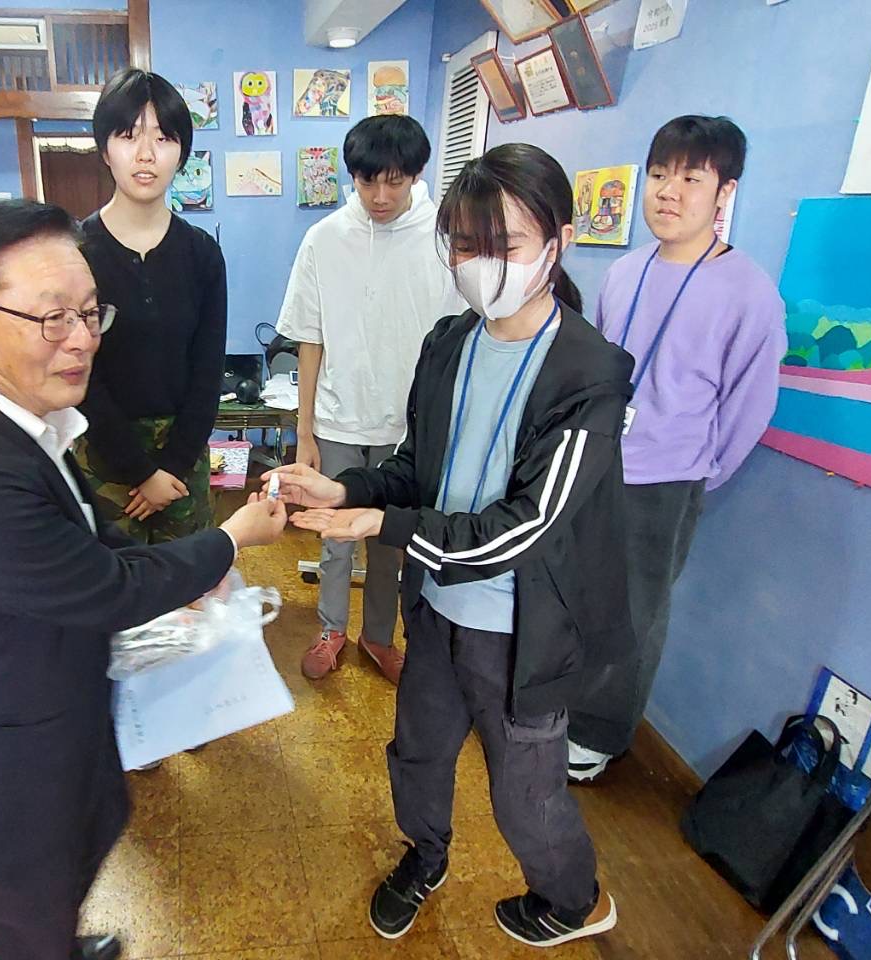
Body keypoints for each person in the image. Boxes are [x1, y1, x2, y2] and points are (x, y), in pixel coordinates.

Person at [0, 200, 287, 960]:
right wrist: (229, 541)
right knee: (27, 926)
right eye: (51, 318)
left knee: (59, 892)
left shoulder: (17, 420)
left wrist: (183, 578)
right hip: (2, 772)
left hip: (53, 720)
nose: (80, 339)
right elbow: (105, 587)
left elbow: (87, 535)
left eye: (88, 312)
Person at [269, 143, 631, 948]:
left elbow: (526, 528)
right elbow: (416, 467)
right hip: (436, 607)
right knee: (419, 753)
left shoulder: (588, 374)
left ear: (560, 242)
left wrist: (385, 526)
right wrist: (345, 491)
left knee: (524, 793)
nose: (481, 264)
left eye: (505, 244)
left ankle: (572, 900)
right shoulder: (449, 343)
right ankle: (424, 857)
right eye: (466, 245)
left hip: (521, 632)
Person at [566, 116, 787, 783]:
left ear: (725, 192)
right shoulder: (625, 271)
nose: (668, 191)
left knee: (634, 611)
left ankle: (598, 733)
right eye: (659, 174)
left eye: (692, 178)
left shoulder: (749, 292)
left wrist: (697, 470)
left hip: (665, 480)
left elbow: (749, 405)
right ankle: (556, 704)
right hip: (595, 461)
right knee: (573, 590)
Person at [275, 115, 464, 686]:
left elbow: (460, 339)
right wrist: (305, 432)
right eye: (367, 182)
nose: (380, 197)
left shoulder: (445, 239)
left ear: (417, 175)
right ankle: (331, 629)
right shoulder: (324, 238)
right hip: (337, 419)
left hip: (409, 430)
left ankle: (378, 637)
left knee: (388, 540)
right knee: (333, 534)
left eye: (394, 182)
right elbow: (309, 339)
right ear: (352, 177)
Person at [75, 68, 227, 544]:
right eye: (128, 136)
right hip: (102, 455)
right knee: (109, 583)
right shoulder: (74, 252)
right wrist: (140, 471)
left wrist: (171, 468)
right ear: (105, 149)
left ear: (181, 152)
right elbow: (78, 373)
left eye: (163, 138)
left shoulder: (202, 254)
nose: (146, 154)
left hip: (183, 461)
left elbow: (208, 371)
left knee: (188, 584)